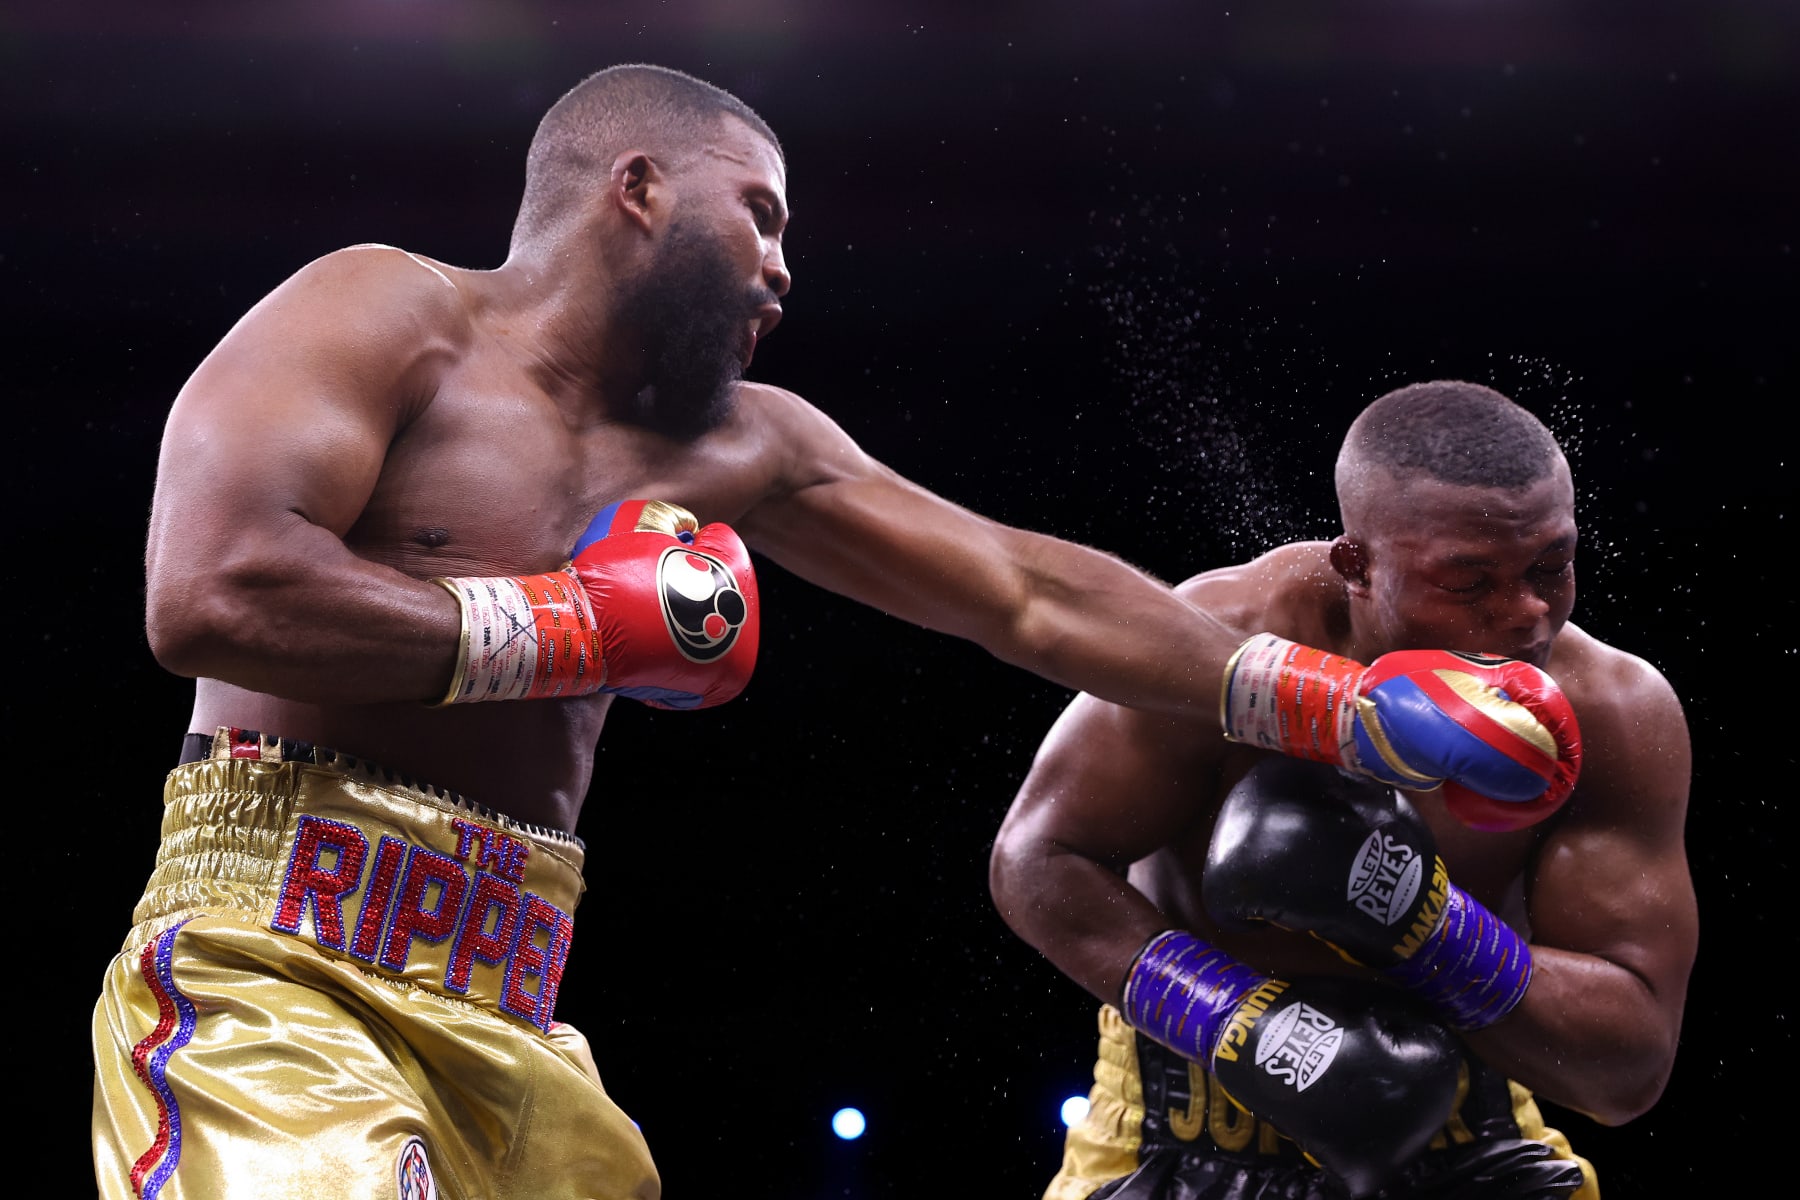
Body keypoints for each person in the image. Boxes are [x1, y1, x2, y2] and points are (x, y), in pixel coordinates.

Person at [91, 60, 1581, 1200]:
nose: (786, 270)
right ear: (638, 188)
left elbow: (1026, 591)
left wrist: (1335, 706)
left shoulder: (748, 446)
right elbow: (211, 592)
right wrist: (573, 626)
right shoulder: (385, 312)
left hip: (513, 1007)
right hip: (271, 952)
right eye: (764, 215)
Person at [989, 380, 1697, 1199]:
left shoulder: (1610, 709)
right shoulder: (1223, 646)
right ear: (1356, 566)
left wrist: (1421, 922)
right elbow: (1036, 856)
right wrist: (1235, 1018)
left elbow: (1629, 1068)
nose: (1528, 617)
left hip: (1467, 1133)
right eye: (1469, 585)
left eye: (1552, 566)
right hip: (1173, 1129)